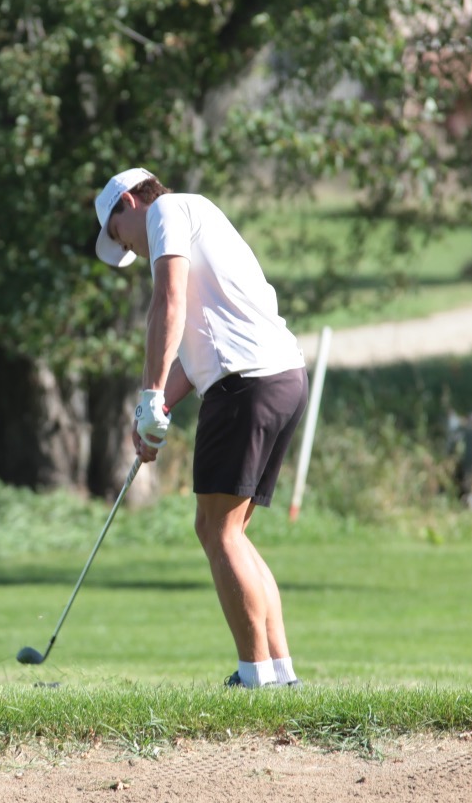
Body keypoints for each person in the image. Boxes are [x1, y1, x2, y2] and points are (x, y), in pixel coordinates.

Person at [93, 167, 310, 688]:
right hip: (281, 378)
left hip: (245, 385)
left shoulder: (168, 210)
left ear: (128, 201)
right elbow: (194, 352)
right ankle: (279, 673)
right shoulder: (199, 217)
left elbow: (165, 303)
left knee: (217, 530)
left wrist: (146, 395)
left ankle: (255, 677)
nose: (132, 252)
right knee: (229, 531)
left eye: (120, 236)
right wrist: (156, 412)